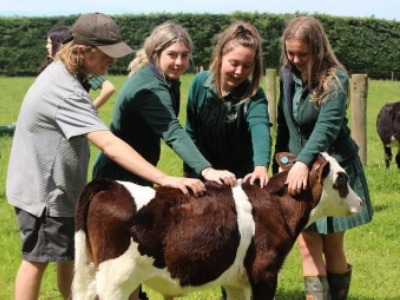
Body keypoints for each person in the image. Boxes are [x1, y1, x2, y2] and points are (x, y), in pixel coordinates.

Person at [6, 12, 205, 300]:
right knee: (37, 259)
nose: (111, 62)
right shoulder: (64, 89)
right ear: (80, 51)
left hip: (58, 188)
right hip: (43, 191)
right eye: (105, 56)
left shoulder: (69, 75)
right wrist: (163, 178)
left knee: (69, 258)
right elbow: (109, 144)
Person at [273, 16, 374, 299]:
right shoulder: (286, 76)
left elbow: (326, 128)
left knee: (332, 245)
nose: (294, 59)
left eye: (301, 54)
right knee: (307, 245)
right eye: (290, 52)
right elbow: (285, 125)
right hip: (298, 171)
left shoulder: (336, 78)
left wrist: (303, 163)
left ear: (317, 49)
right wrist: (280, 164)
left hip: (333, 172)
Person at [93, 20, 237, 188]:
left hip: (138, 169)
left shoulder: (161, 77)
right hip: (119, 174)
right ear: (156, 54)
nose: (179, 62)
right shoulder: (151, 88)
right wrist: (206, 170)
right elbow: (172, 130)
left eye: (184, 55)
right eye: (172, 54)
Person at [184, 21, 271, 187]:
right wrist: (188, 172)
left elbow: (260, 128)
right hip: (204, 177)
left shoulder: (254, 95)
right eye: (234, 63)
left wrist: (261, 166)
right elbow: (191, 132)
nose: (239, 72)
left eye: (247, 66)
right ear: (220, 57)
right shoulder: (199, 83)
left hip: (239, 183)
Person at [38, 25, 116, 109]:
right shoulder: (51, 66)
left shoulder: (76, 67)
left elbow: (108, 88)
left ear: (59, 44)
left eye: (50, 43)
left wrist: (89, 110)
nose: (47, 46)